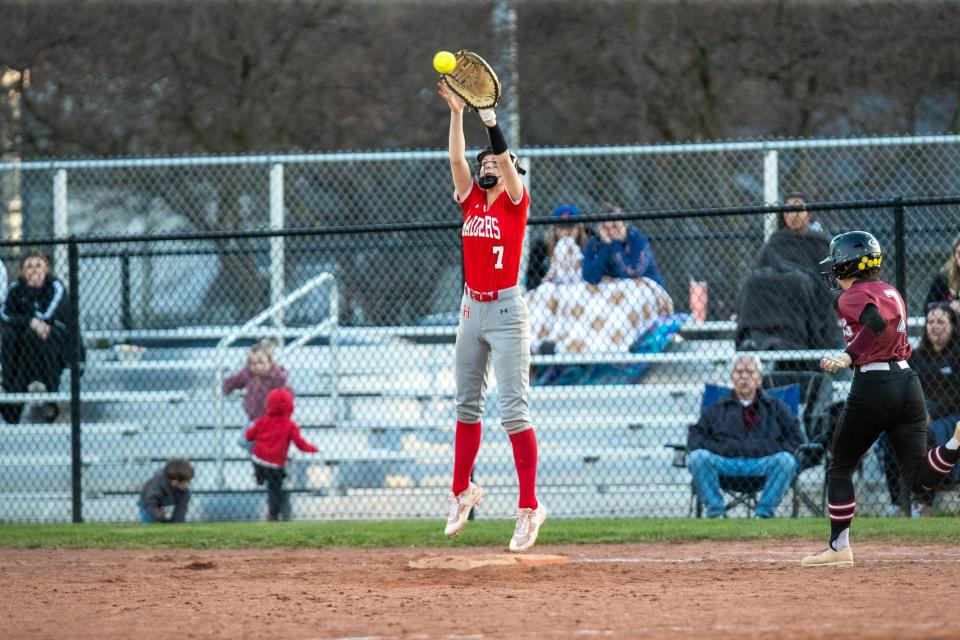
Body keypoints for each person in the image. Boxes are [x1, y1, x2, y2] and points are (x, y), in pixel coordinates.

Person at [802, 231, 960, 567]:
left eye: (837, 263)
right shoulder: (891, 290)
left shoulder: (851, 296)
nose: (834, 270)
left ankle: (838, 547)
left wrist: (847, 356)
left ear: (848, 263)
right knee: (918, 478)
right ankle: (954, 445)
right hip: (907, 380)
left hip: (874, 382)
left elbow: (874, 322)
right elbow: (884, 322)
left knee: (841, 465)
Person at [437, 79, 546, 552]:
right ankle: (462, 492)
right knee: (465, 405)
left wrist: (491, 122)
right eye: (484, 164)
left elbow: (502, 158)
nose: (486, 166)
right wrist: (457, 113)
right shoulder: (472, 200)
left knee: (513, 411)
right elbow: (457, 160)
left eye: (494, 163)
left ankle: (529, 508)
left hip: (505, 309)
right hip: (470, 307)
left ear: (507, 171)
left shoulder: (516, 204)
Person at [686, 355, 803, 518]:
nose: (744, 376)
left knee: (786, 461)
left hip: (763, 464)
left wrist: (763, 449)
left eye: (750, 371)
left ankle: (763, 515)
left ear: (760, 378)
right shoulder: (717, 407)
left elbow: (796, 438)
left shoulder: (776, 407)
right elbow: (695, 437)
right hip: (725, 463)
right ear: (732, 377)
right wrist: (723, 449)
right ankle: (716, 514)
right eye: (739, 372)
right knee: (697, 458)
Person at [880, 302, 960, 514]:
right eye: (931, 321)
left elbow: (957, 395)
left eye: (941, 322)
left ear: (952, 326)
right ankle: (897, 502)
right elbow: (906, 387)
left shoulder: (957, 355)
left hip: (948, 415)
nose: (935, 326)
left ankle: (924, 502)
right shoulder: (917, 355)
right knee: (889, 436)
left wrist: (932, 414)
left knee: (928, 435)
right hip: (918, 412)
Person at [735, 193, 840, 352]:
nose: (794, 215)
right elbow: (762, 268)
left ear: (809, 213)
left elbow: (829, 281)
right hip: (777, 295)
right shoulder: (776, 241)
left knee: (798, 281)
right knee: (754, 280)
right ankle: (754, 337)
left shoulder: (821, 242)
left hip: (808, 295)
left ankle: (795, 338)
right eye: (789, 210)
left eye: (799, 208)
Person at [0, 251, 72, 424]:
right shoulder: (16, 289)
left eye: (38, 266)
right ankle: (13, 395)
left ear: (46, 268)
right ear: (22, 271)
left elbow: (49, 315)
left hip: (54, 339)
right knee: (10, 335)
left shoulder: (55, 286)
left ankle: (48, 396)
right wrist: (31, 321)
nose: (34, 270)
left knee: (34, 335)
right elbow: (4, 314)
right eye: (29, 267)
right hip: (25, 340)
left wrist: (32, 323)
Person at [244, 387, 318, 521]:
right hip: (275, 464)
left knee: (256, 457)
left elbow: (248, 436)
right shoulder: (290, 425)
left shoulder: (262, 421)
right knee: (274, 489)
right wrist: (313, 449)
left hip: (258, 459)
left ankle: (259, 474)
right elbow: (300, 444)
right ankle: (273, 515)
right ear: (289, 406)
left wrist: (258, 433)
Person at [223, 338, 289, 451]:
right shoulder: (248, 373)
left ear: (270, 362)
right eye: (253, 363)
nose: (257, 367)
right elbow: (236, 380)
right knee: (243, 441)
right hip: (253, 417)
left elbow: (285, 388)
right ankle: (258, 455)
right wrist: (227, 386)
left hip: (269, 418)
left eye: (261, 363)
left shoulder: (274, 376)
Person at [581, 204, 664, 287]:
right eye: (606, 228)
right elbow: (590, 278)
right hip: (612, 289)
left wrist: (615, 245)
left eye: (615, 226)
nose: (611, 232)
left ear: (624, 225)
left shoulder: (636, 239)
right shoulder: (594, 243)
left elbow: (632, 275)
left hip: (644, 287)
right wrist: (606, 245)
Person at [524, 204, 590, 290]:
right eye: (562, 227)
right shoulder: (541, 247)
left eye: (571, 226)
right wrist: (546, 279)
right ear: (554, 229)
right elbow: (531, 280)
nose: (567, 231)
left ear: (579, 228)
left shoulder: (589, 245)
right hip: (552, 291)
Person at [138, 458, 194, 523]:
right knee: (149, 520)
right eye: (186, 482)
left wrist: (177, 522)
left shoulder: (184, 491)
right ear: (175, 482)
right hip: (147, 500)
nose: (188, 485)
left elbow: (181, 509)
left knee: (187, 493)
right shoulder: (157, 486)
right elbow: (150, 502)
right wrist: (157, 514)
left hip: (166, 498)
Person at [925, 232, 960, 315]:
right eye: (959, 253)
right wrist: (949, 305)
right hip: (952, 324)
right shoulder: (944, 276)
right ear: (954, 255)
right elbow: (928, 306)